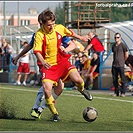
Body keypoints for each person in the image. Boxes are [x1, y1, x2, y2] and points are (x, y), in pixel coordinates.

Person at [33, 9, 93, 122]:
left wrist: (82, 38)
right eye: (49, 25)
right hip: (48, 66)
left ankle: (82, 89)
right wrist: (43, 61)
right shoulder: (39, 35)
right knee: (47, 89)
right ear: (43, 24)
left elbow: (70, 33)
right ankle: (54, 113)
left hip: (61, 61)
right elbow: (37, 51)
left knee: (78, 80)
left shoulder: (59, 28)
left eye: (53, 24)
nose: (52, 27)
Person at [111, 33, 128, 97]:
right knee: (115, 79)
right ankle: (116, 92)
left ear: (120, 38)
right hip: (114, 64)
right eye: (115, 37)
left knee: (122, 79)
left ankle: (123, 92)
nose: (116, 39)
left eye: (118, 37)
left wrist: (123, 61)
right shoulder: (113, 46)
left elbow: (126, 54)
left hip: (121, 65)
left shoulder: (123, 45)